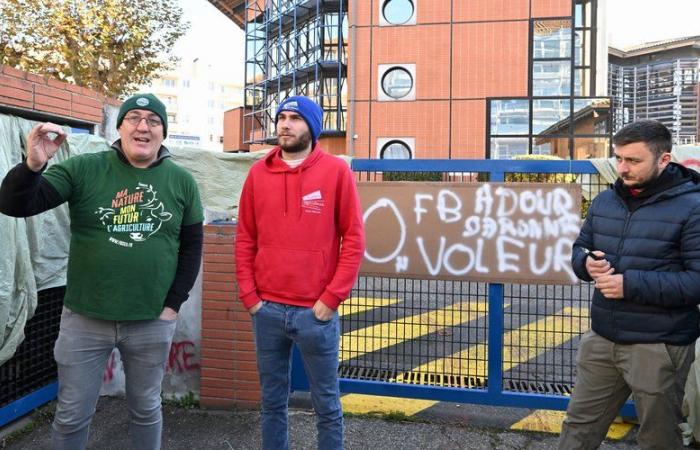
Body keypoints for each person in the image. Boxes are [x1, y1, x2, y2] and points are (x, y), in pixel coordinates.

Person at [0, 93, 203, 450]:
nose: (143, 126)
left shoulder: (181, 181)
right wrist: (32, 166)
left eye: (153, 121)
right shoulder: (83, 168)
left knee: (146, 409)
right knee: (72, 414)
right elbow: (15, 205)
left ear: (163, 132)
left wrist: (172, 304)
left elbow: (191, 248)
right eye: (134, 118)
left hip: (151, 321)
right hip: (84, 319)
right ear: (120, 127)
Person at [559, 119, 700, 449]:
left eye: (633, 160)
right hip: (603, 336)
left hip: (659, 345)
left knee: (658, 436)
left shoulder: (693, 207)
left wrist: (630, 285)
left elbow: (696, 281)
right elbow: (580, 249)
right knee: (578, 426)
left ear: (664, 160)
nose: (622, 168)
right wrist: (586, 263)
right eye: (618, 158)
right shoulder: (606, 201)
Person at [235, 95, 365, 450]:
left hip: (315, 313)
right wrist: (250, 297)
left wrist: (330, 299)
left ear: (312, 126)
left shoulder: (336, 171)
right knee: (272, 404)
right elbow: (245, 237)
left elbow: (353, 238)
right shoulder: (258, 173)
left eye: (295, 118)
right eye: (281, 117)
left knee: (327, 405)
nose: (285, 124)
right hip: (267, 311)